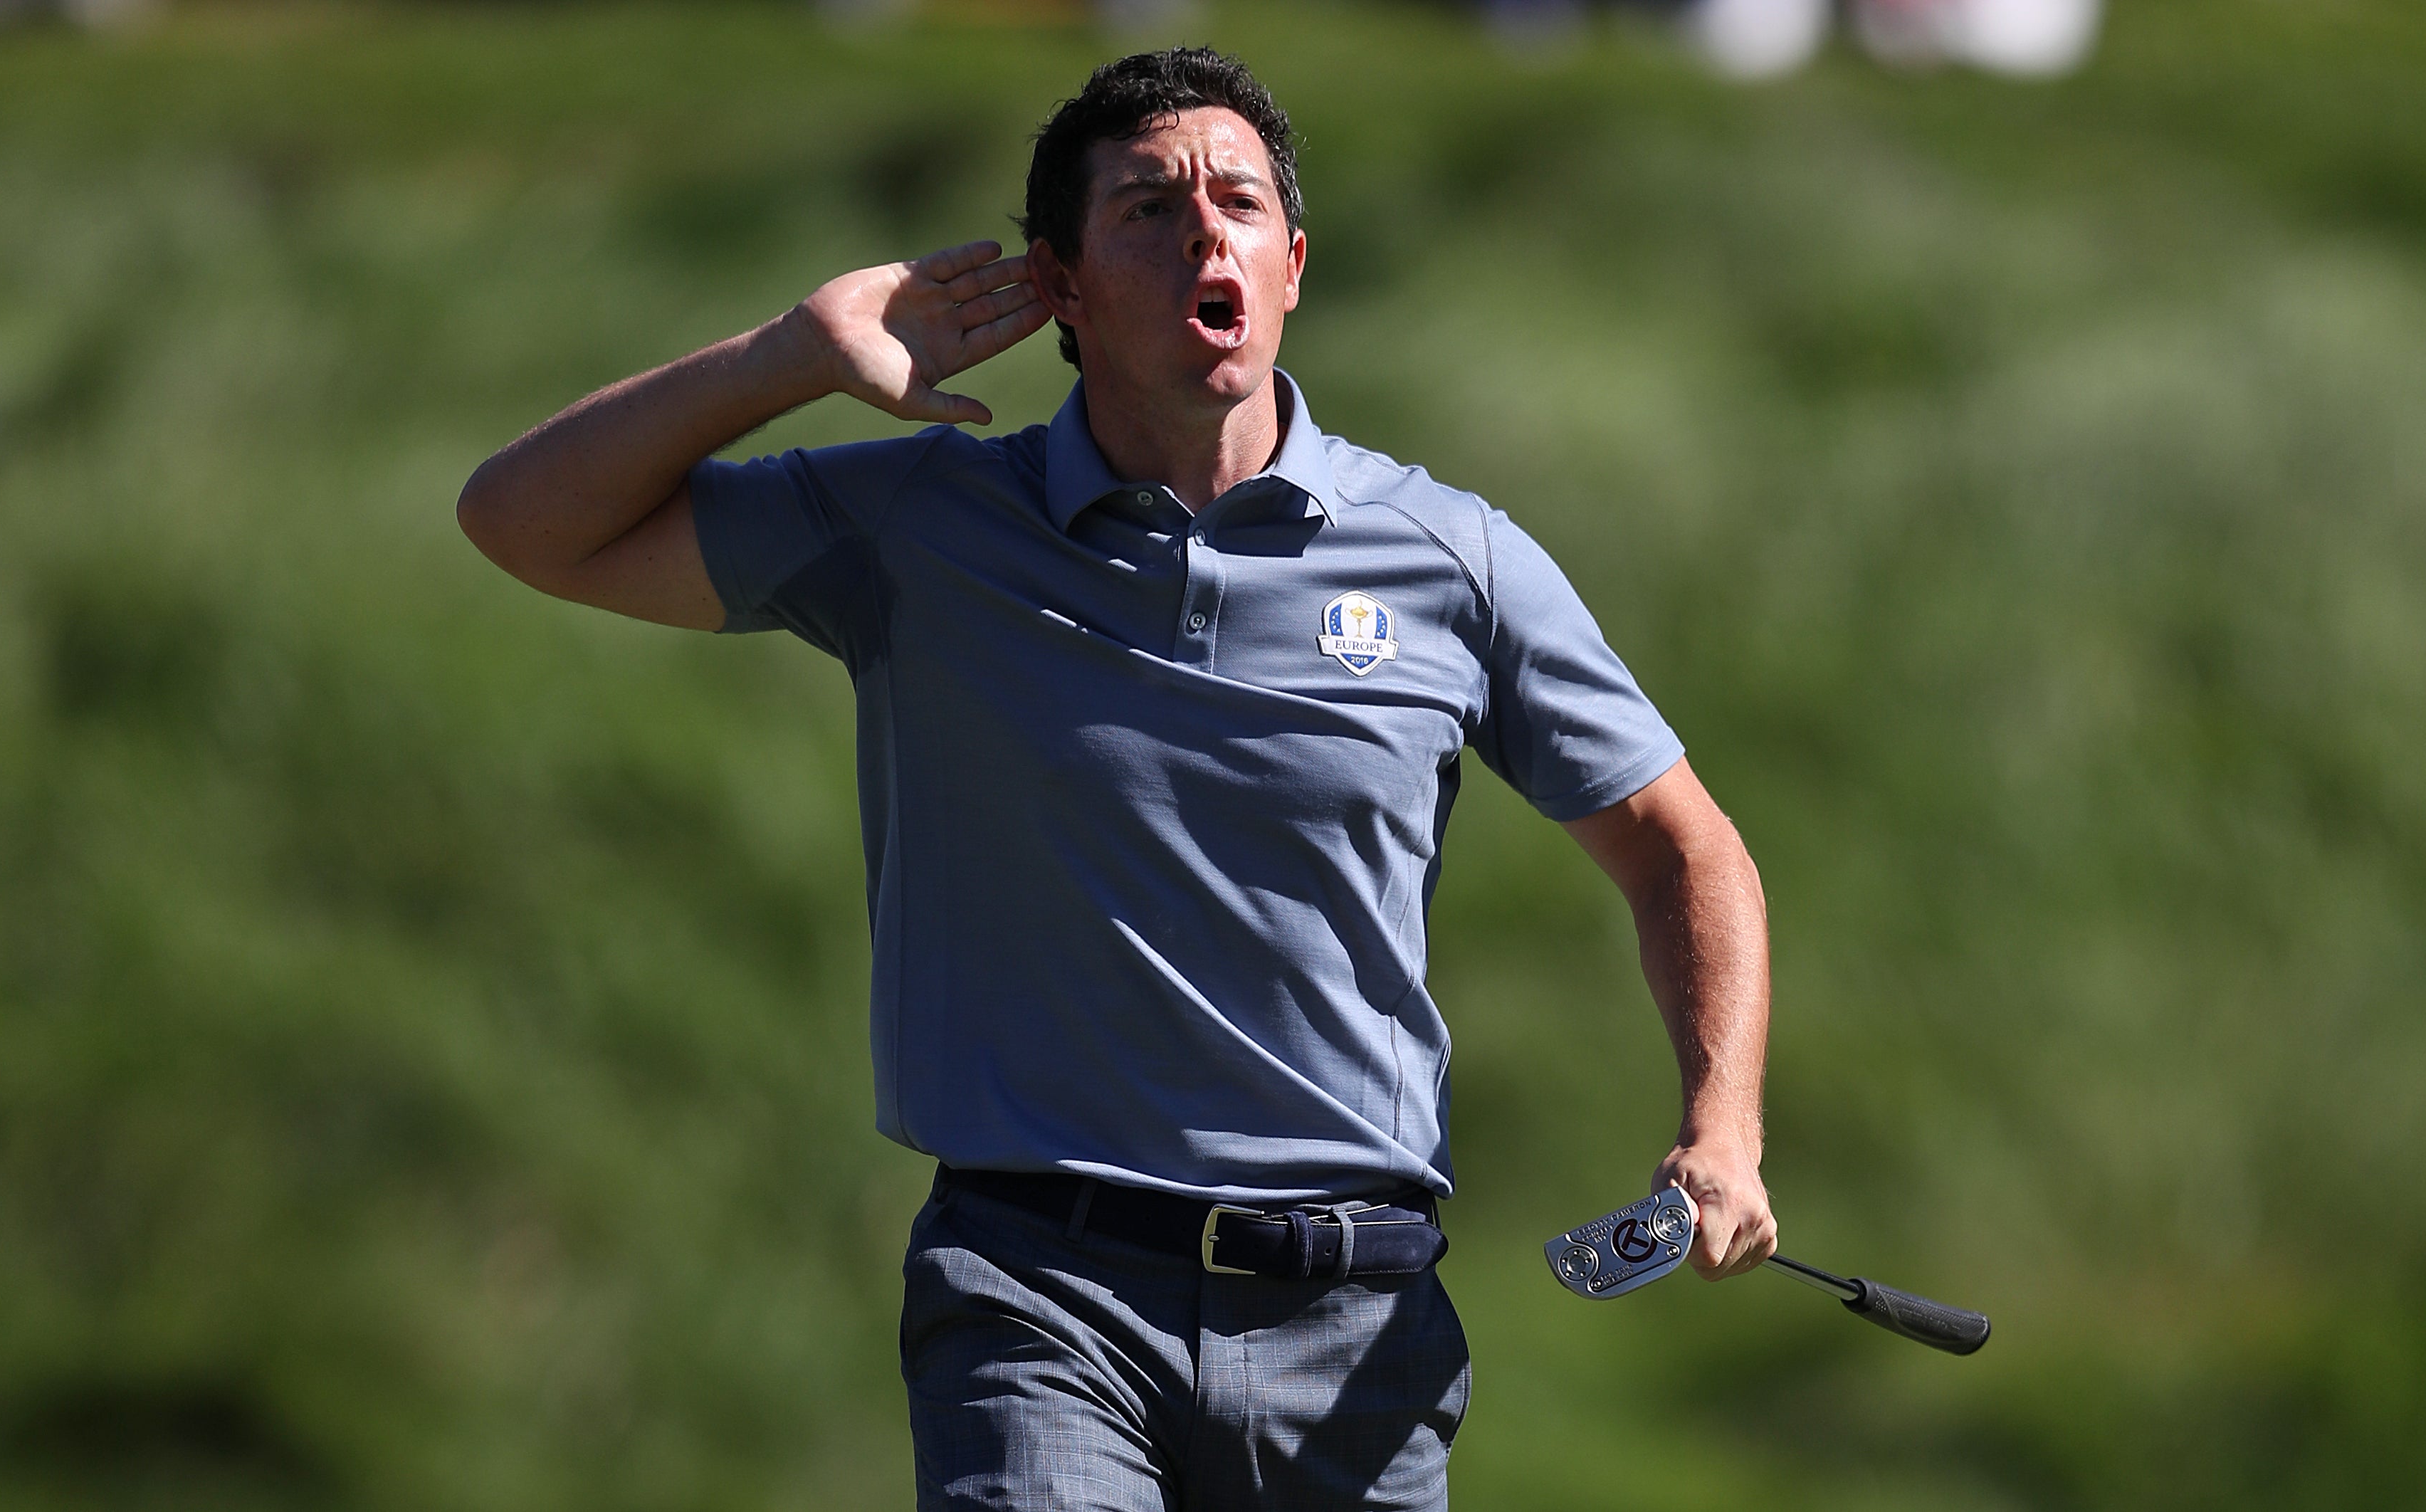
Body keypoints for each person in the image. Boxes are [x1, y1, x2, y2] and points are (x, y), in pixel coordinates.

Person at [458, 46, 1777, 1512]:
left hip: (1354, 1318)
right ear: (1063, 289)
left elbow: (1681, 846)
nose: (1204, 233)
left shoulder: (1452, 559)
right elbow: (525, 523)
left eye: (1238, 202)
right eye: (1147, 208)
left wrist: (1723, 1127)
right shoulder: (920, 525)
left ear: (1290, 264)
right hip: (1040, 1292)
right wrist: (789, 356)